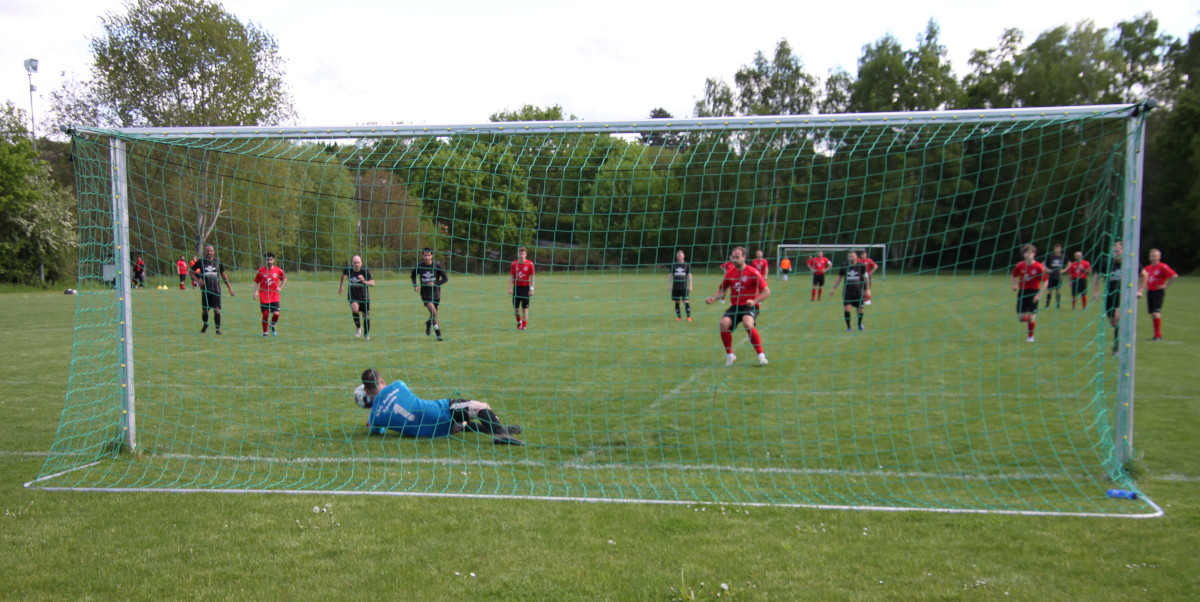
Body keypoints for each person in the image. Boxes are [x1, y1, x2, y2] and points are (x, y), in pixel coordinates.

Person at [357, 368, 523, 445]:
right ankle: (500, 433)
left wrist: (372, 420)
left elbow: (377, 430)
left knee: (462, 423)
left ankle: (494, 428)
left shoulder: (375, 416)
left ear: (365, 390)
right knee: (480, 406)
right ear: (382, 381)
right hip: (437, 412)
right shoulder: (399, 384)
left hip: (433, 433)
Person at [705, 246, 770, 366]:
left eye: (737, 257)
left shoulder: (753, 272)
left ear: (744, 257)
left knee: (747, 322)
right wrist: (713, 299)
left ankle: (761, 356)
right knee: (723, 323)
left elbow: (766, 291)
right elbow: (722, 289)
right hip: (735, 306)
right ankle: (730, 356)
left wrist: (754, 301)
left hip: (750, 306)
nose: (735, 260)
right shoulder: (730, 273)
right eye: (733, 257)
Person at [190, 245, 235, 334]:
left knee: (217, 310)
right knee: (205, 311)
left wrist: (230, 288)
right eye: (207, 251)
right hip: (206, 290)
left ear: (213, 252)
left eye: (211, 251)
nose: (209, 252)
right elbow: (191, 272)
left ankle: (217, 329)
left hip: (216, 290)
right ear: (205, 252)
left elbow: (224, 276)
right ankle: (205, 324)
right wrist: (198, 280)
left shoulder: (218, 262)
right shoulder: (201, 262)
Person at [1137, 248, 1179, 341]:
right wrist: (1144, 286)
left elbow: (1174, 275)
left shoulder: (1163, 267)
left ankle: (1158, 335)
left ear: (1159, 257)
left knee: (1156, 313)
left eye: (1155, 256)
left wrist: (1166, 286)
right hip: (1150, 292)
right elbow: (1142, 277)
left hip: (1158, 292)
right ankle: (1156, 335)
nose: (1153, 258)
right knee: (1152, 313)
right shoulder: (1147, 268)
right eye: (1151, 256)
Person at [1010, 244, 1047, 343]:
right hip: (1022, 292)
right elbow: (1013, 276)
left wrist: (1039, 294)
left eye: (1030, 253)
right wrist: (1014, 285)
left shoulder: (1039, 267)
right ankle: (1032, 319)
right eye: (1026, 253)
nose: (1028, 255)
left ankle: (1031, 336)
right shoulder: (1020, 265)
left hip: (1033, 293)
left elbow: (1046, 281)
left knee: (1031, 316)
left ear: (1034, 254)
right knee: (1021, 318)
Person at [411, 247, 449, 341]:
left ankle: (428, 323)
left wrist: (435, 283)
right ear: (422, 255)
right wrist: (415, 286)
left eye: (428, 255)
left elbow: (445, 279)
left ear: (432, 255)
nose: (427, 257)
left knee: (434, 315)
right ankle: (438, 334)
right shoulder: (419, 266)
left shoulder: (437, 266)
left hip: (436, 294)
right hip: (425, 293)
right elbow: (413, 276)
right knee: (434, 312)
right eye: (425, 255)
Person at [830, 251, 869, 332]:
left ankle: (859, 324)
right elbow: (839, 277)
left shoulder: (861, 266)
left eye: (853, 256)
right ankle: (849, 327)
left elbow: (866, 278)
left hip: (858, 292)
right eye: (849, 256)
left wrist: (867, 290)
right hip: (847, 292)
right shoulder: (844, 265)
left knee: (860, 310)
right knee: (847, 309)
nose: (851, 258)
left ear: (856, 257)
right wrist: (833, 288)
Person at [1097, 241, 1125, 354]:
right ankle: (1120, 340)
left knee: (1118, 319)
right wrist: (1095, 291)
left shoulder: (1129, 263)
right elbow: (1097, 275)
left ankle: (1117, 347)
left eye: (1117, 251)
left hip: (1122, 297)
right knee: (1113, 322)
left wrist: (1139, 290)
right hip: (1109, 296)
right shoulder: (1106, 263)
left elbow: (1144, 274)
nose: (1115, 253)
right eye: (1114, 251)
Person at [338, 255, 375, 339]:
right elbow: (343, 274)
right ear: (352, 263)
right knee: (355, 309)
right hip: (353, 296)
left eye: (358, 262)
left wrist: (364, 281)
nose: (356, 264)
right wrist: (341, 286)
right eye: (355, 263)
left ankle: (366, 333)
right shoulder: (349, 270)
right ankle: (358, 327)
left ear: (361, 263)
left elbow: (373, 283)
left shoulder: (365, 271)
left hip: (364, 297)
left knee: (366, 316)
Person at [253, 252, 287, 337]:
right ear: (266, 260)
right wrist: (256, 291)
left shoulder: (278, 270)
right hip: (264, 296)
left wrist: (280, 287)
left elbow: (284, 279)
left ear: (273, 260)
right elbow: (256, 281)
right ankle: (265, 333)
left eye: (271, 259)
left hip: (274, 296)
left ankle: (272, 325)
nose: (269, 261)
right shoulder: (261, 271)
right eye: (268, 260)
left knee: (276, 314)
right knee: (265, 315)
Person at [509, 246, 535, 331]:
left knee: (525, 308)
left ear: (526, 254)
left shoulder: (530, 264)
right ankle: (519, 321)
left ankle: (524, 327)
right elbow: (511, 277)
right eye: (520, 253)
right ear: (518, 254)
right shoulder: (514, 263)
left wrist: (531, 289)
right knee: (516, 309)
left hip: (525, 289)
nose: (521, 255)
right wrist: (510, 288)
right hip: (516, 288)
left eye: (523, 254)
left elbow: (533, 277)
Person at [669, 250, 693, 322]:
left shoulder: (687, 264)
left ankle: (688, 317)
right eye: (678, 256)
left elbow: (689, 275)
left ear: (683, 256)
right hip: (675, 286)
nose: (680, 257)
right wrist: (669, 285)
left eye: (681, 255)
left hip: (684, 287)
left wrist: (691, 285)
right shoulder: (674, 264)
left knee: (686, 301)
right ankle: (679, 317)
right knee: (677, 302)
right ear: (677, 257)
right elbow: (670, 275)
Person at [1045, 243, 1066, 309]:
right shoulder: (1050, 256)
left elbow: (1069, 264)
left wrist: (1064, 270)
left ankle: (1058, 305)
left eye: (1059, 248)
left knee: (1058, 290)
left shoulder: (1063, 256)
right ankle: (1047, 305)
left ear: (1061, 249)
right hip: (1052, 275)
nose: (1057, 249)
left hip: (1059, 276)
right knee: (1050, 290)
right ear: (1054, 249)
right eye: (1056, 248)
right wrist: (1048, 269)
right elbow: (1043, 263)